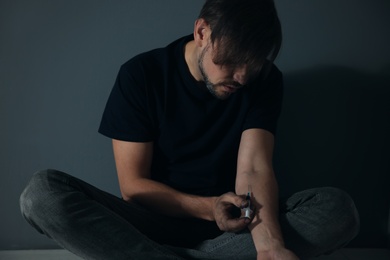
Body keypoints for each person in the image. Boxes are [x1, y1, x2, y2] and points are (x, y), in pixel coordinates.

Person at [20, 0, 360, 259]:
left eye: (251, 65)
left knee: (338, 210)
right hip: (149, 225)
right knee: (42, 195)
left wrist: (269, 247)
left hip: (236, 225)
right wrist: (209, 206)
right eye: (230, 61)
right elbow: (133, 187)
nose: (241, 77)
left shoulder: (265, 81)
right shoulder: (141, 75)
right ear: (202, 32)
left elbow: (254, 167)